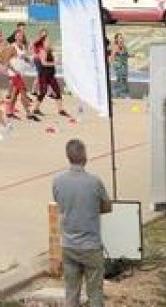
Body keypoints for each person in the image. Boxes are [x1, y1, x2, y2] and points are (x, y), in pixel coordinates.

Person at [52, 139, 112, 307]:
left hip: (69, 244)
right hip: (91, 245)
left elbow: (60, 204)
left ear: (68, 156)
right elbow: (107, 206)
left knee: (71, 291)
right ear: (84, 156)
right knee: (95, 292)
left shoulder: (58, 181)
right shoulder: (94, 181)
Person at [109, 33, 130, 98]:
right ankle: (117, 93)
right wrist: (110, 65)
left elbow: (125, 55)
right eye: (120, 38)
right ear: (117, 39)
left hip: (124, 66)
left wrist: (132, 55)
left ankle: (121, 94)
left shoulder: (124, 47)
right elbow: (112, 57)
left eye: (122, 37)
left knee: (124, 80)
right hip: (118, 66)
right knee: (120, 79)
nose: (122, 39)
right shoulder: (115, 47)